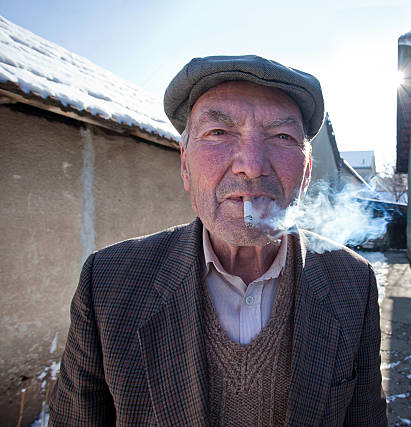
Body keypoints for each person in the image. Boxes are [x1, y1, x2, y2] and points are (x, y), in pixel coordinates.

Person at [49, 55, 387, 426]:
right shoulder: (109, 282)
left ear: (305, 173)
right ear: (184, 163)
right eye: (219, 133)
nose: (252, 164)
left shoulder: (352, 283)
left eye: (281, 137)